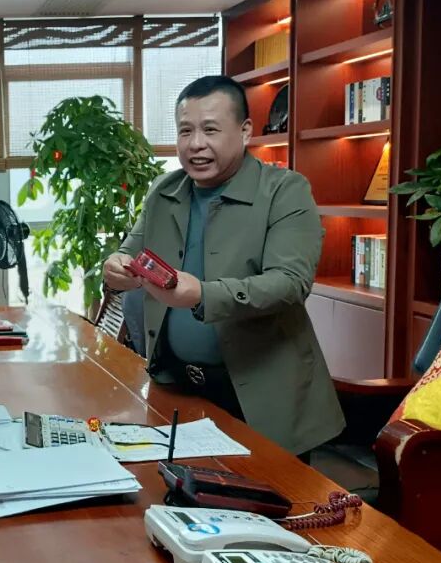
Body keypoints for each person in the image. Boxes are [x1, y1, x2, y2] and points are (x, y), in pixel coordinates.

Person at [103, 75, 344, 457]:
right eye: (185, 131)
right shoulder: (164, 191)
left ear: (245, 131)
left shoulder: (284, 190)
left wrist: (202, 294)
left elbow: (290, 283)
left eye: (210, 130)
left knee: (268, 494)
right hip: (177, 388)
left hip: (263, 402)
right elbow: (129, 252)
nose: (195, 144)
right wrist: (116, 266)